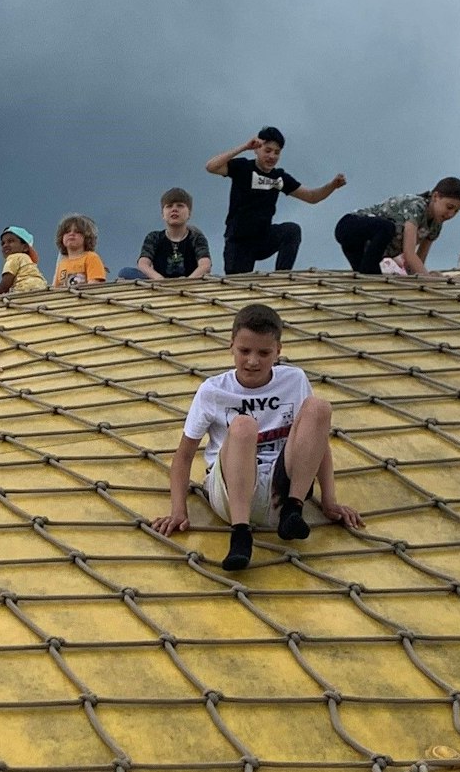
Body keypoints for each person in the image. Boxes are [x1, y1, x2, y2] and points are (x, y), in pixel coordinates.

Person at [153, 304, 364, 571]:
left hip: (282, 488)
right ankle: (240, 534)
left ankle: (293, 510)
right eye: (245, 351)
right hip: (233, 491)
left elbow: (317, 441)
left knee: (319, 408)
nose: (253, 361)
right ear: (231, 347)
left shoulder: (295, 379)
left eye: (264, 353)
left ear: (278, 351)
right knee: (243, 426)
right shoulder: (213, 390)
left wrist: (330, 501)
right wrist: (178, 511)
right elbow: (183, 456)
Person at [206, 128, 347, 275]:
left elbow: (311, 197)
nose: (272, 156)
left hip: (263, 237)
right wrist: (244, 147)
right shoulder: (243, 167)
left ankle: (282, 276)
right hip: (239, 241)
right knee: (238, 288)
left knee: (292, 230)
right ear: (257, 149)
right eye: (267, 151)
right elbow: (211, 167)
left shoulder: (279, 177)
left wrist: (332, 186)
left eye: (276, 152)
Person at [335, 178, 460, 275]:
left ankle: (369, 273)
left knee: (370, 281)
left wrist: (421, 278)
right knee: (387, 228)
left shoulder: (435, 226)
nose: (451, 214)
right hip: (351, 226)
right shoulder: (417, 207)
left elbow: (417, 262)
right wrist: (430, 280)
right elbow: (409, 253)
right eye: (449, 207)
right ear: (435, 196)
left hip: (362, 248)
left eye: (456, 211)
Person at [121, 188, 213, 281]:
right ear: (163, 214)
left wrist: (187, 281)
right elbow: (143, 264)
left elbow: (205, 265)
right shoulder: (154, 237)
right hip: (159, 281)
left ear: (189, 213)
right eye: (169, 206)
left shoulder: (196, 237)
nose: (174, 209)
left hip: (191, 280)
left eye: (180, 206)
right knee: (125, 272)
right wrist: (160, 279)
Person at [52, 215, 107, 289]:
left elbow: (94, 286)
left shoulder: (91, 258)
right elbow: (55, 289)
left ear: (86, 237)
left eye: (77, 232)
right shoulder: (62, 263)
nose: (71, 234)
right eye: (67, 231)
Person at [0, 227, 48, 296]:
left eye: (10, 241)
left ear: (25, 247)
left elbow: (6, 282)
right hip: (41, 288)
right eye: (3, 243)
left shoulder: (14, 257)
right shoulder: (27, 260)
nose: (5, 245)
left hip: (24, 289)